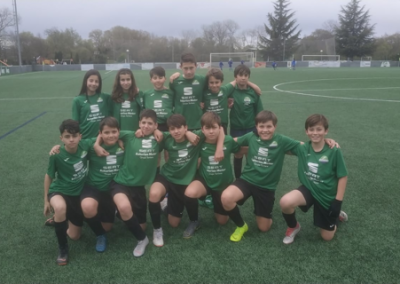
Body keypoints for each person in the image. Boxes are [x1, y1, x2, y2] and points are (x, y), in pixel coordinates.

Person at [221, 111, 300, 242]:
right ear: (256, 127)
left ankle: (265, 212)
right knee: (226, 197)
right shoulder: (251, 137)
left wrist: (325, 141)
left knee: (264, 227)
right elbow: (230, 140)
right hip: (247, 180)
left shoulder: (282, 140)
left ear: (275, 126)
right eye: (261, 126)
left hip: (266, 187)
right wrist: (219, 146)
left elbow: (304, 146)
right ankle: (241, 226)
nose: (265, 130)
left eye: (269, 126)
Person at [148, 114, 224, 246]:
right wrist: (155, 129)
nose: (176, 131)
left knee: (175, 220)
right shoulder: (166, 138)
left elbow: (220, 129)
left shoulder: (196, 137)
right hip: (168, 177)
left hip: (186, 180)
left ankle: (194, 221)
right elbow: (150, 133)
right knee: (154, 194)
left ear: (186, 127)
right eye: (172, 129)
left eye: (179, 128)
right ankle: (158, 228)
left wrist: (219, 148)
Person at [94, 109, 162, 257]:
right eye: (143, 122)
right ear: (139, 123)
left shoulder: (159, 138)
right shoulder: (130, 135)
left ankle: (120, 212)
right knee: (125, 207)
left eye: (150, 123)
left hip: (139, 188)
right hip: (121, 182)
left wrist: (163, 132)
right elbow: (106, 133)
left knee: (142, 226)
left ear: (156, 125)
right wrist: (96, 145)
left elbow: (178, 135)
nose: (146, 126)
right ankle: (142, 240)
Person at [279, 114, 348, 244]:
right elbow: (280, 142)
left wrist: (337, 202)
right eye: (311, 129)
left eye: (319, 129)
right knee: (285, 202)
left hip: (326, 195)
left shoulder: (334, 151)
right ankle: (293, 226)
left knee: (326, 237)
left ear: (325, 131)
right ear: (306, 131)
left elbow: (343, 176)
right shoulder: (302, 148)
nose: (315, 133)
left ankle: (336, 217)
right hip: (309, 189)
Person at [184, 112, 243, 236]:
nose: (211, 131)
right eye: (207, 128)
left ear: (219, 128)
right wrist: (187, 132)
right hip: (205, 179)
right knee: (190, 192)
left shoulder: (228, 141)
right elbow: (179, 132)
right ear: (202, 129)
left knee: (222, 221)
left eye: (214, 128)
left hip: (222, 183)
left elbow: (240, 151)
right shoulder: (199, 141)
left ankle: (213, 199)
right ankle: (194, 220)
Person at [43, 119, 91, 265]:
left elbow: (105, 137)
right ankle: (63, 249)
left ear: (80, 136)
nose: (71, 139)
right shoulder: (56, 154)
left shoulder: (85, 145)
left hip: (78, 194)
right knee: (60, 207)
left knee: (75, 236)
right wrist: (46, 200)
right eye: (67, 137)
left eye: (74, 136)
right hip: (59, 191)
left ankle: (59, 220)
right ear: (61, 138)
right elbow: (49, 176)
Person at [80, 117, 124, 252]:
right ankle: (100, 235)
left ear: (119, 132)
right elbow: (72, 144)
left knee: (108, 227)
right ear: (100, 133)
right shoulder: (90, 144)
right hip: (93, 187)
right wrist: (58, 147)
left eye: (113, 132)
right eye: (106, 132)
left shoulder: (124, 142)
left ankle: (97, 215)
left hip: (112, 189)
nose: (110, 135)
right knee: (88, 207)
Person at [229, 64, 264, 179]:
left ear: (248, 77)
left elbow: (259, 112)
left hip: (251, 129)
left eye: (246, 75)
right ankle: (238, 179)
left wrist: (259, 128)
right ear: (235, 76)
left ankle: (251, 177)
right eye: (240, 75)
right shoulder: (231, 92)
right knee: (238, 154)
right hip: (236, 128)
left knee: (251, 153)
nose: (243, 78)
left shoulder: (254, 93)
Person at [203, 68, 261, 135]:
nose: (214, 85)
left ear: (221, 82)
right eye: (211, 83)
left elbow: (236, 81)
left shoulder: (225, 90)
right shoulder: (204, 93)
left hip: (222, 125)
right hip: (208, 124)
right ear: (208, 83)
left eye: (217, 82)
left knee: (223, 144)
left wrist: (246, 81)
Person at [169, 53, 206, 131]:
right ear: (180, 67)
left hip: (198, 124)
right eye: (185, 68)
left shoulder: (202, 80)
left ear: (196, 66)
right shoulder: (174, 81)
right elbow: (170, 100)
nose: (189, 71)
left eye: (191, 68)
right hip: (180, 125)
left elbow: (209, 94)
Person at [72, 70, 111, 139]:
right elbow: (75, 123)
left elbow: (119, 96)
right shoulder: (77, 100)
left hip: (103, 139)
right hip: (85, 139)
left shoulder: (105, 97)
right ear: (85, 81)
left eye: (96, 81)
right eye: (91, 80)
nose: (93, 84)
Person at [141, 66, 174, 132]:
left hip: (168, 126)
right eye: (155, 78)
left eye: (160, 78)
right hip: (151, 126)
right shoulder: (146, 94)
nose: (158, 80)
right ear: (151, 80)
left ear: (165, 79)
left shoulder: (171, 93)